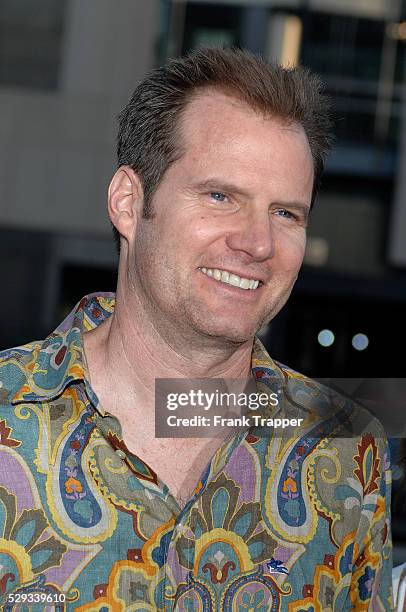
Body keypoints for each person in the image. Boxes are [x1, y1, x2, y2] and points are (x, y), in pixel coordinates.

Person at [0, 47, 393, 610]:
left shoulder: (347, 452)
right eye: (220, 196)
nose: (258, 243)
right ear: (129, 202)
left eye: (286, 213)